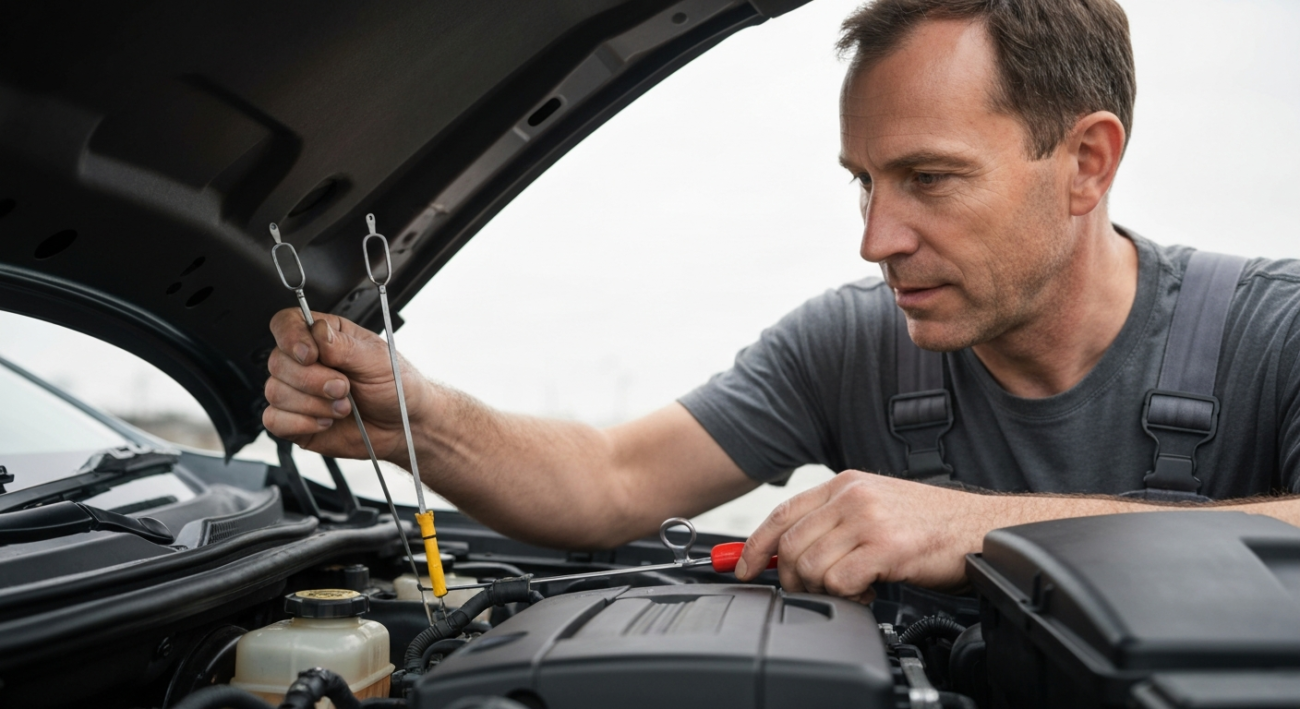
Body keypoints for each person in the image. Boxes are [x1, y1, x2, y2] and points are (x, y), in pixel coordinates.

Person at [262, 0, 1300, 604]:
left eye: (929, 180)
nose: (875, 239)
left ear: (1085, 162)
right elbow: (610, 481)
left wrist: (979, 527)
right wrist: (415, 415)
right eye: (864, 179)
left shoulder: (1271, 330)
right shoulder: (853, 344)